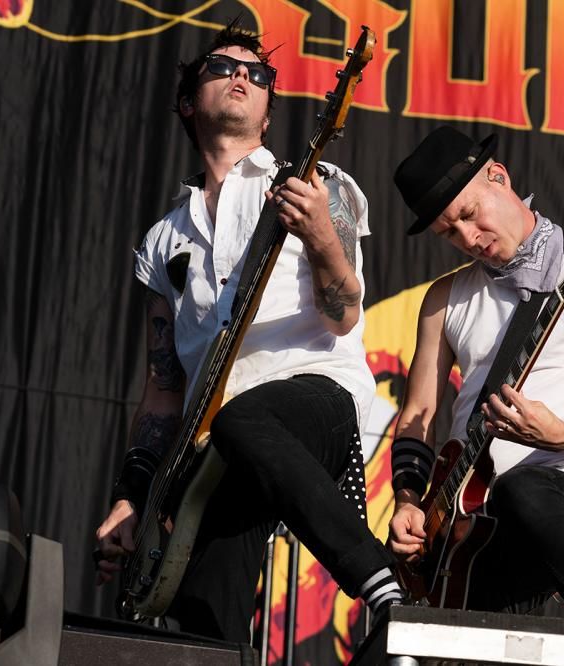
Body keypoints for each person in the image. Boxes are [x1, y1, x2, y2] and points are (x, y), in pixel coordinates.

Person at [93, 22, 401, 642]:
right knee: (205, 618)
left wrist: (321, 237)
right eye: (222, 67)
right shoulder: (163, 239)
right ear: (188, 103)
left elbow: (344, 315)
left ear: (266, 113)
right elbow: (163, 388)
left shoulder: (317, 184)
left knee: (244, 420)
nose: (242, 75)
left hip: (315, 397)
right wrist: (132, 494)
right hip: (215, 445)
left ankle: (379, 580)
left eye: (258, 74)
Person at [386, 126, 564, 624]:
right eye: (449, 233)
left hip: (560, 488)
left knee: (521, 490)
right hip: (465, 514)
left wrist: (561, 433)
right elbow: (418, 414)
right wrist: (409, 501)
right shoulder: (443, 299)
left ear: (499, 177)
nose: (468, 239)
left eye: (468, 214)